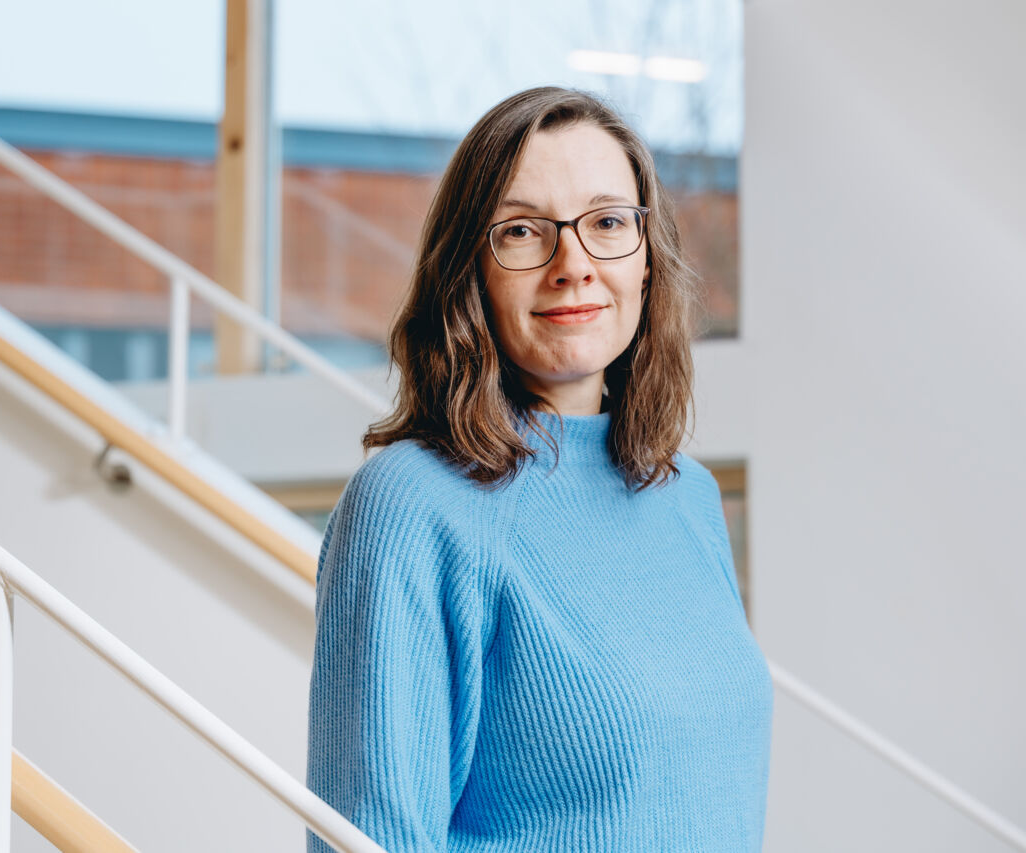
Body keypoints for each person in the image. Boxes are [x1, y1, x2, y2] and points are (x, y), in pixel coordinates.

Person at [305, 86, 773, 853]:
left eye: (609, 223)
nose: (574, 265)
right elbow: (370, 840)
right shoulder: (409, 503)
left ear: (648, 260)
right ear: (469, 272)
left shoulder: (688, 493)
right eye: (523, 231)